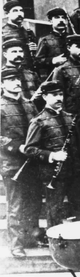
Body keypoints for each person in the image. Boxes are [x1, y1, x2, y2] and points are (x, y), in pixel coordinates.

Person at [24, 80, 80, 226]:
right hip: (53, 173)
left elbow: (79, 146)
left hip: (76, 171)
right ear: (45, 97)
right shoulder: (39, 121)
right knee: (55, 210)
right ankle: (56, 243)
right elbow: (30, 149)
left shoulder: (70, 117)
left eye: (61, 94)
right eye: (54, 95)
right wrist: (52, 156)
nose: (59, 98)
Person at [0, 67, 40, 258]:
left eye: (18, 79)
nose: (16, 83)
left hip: (32, 162)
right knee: (16, 204)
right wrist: (18, 147)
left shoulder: (29, 105)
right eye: (11, 80)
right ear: (2, 84)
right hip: (12, 164)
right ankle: (16, 244)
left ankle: (31, 238)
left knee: (33, 202)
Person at [35, 7, 69, 79]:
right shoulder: (45, 40)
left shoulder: (71, 38)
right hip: (54, 77)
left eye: (63, 18)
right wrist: (52, 60)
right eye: (57, 18)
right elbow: (38, 61)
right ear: (50, 21)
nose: (61, 20)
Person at [2, 0, 36, 71]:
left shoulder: (28, 32)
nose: (19, 13)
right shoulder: (2, 32)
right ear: (7, 14)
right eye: (15, 11)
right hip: (10, 71)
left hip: (29, 71)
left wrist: (35, 49)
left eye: (21, 10)